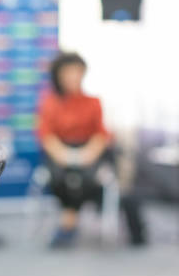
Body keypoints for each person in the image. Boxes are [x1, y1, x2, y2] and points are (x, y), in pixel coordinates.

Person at [37, 52, 145, 247]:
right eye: (68, 72)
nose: (72, 77)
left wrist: (88, 153)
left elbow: (101, 135)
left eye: (76, 72)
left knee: (87, 175)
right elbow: (46, 135)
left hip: (89, 152)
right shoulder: (50, 102)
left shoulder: (92, 102)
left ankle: (68, 223)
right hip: (60, 153)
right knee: (62, 176)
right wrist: (65, 155)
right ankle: (70, 221)